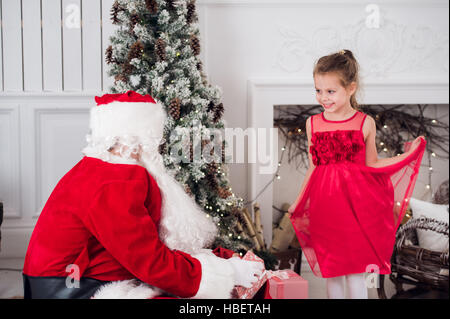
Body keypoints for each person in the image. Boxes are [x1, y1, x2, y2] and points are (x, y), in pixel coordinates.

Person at [23, 91, 264, 299]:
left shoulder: (99, 168)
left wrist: (216, 263)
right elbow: (147, 260)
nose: (155, 148)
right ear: (138, 140)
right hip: (72, 286)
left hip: (70, 278)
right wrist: (227, 273)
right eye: (152, 141)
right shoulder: (116, 179)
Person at [288, 50, 426, 299]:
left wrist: (407, 157)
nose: (323, 97)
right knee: (332, 272)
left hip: (355, 207)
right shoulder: (313, 124)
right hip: (325, 207)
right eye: (318, 90)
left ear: (351, 88)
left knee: (354, 272)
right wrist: (299, 202)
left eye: (330, 91)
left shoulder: (364, 122)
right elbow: (313, 167)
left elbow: (372, 164)